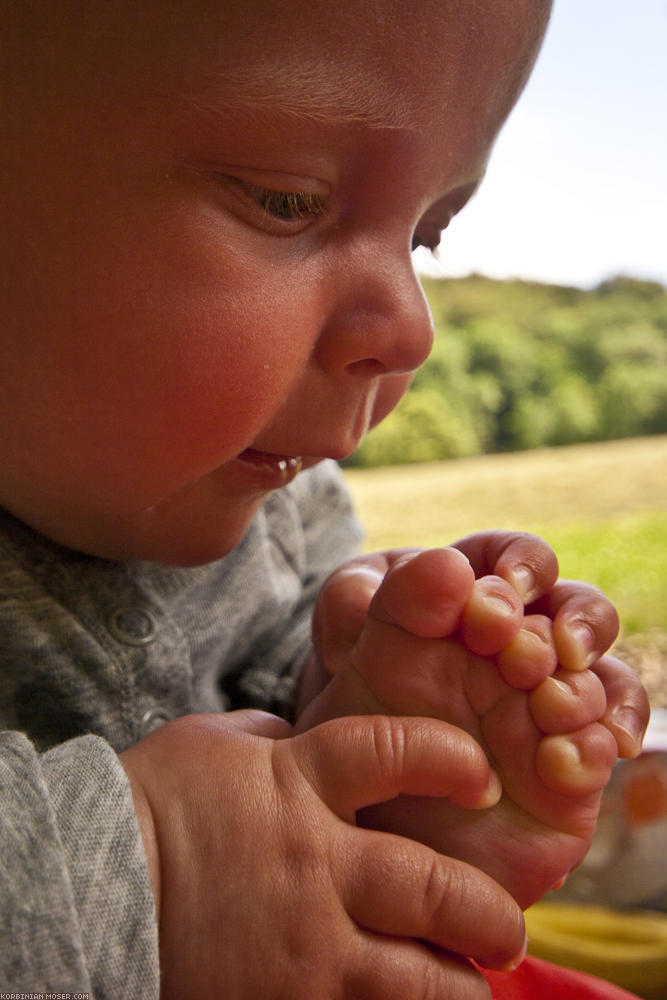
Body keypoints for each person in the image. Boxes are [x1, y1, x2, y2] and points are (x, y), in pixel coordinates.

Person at [0, 1, 649, 998]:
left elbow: (295, 817)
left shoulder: (283, 502)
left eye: (426, 235)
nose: (411, 328)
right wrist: (152, 872)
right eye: (287, 201)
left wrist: (392, 771)